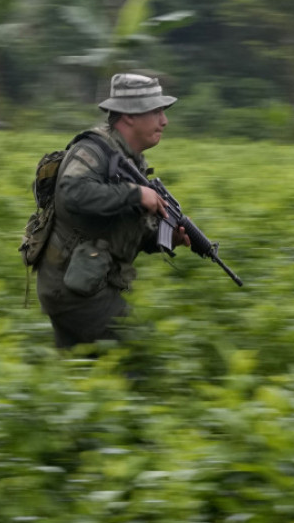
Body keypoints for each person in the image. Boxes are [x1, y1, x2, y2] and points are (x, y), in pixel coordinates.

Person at [36, 72, 189, 348]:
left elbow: (122, 228)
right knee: (136, 352)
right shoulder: (93, 151)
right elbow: (72, 193)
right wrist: (136, 193)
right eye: (156, 112)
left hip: (85, 283)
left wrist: (164, 240)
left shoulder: (131, 160)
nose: (164, 121)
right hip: (74, 288)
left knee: (82, 374)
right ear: (129, 115)